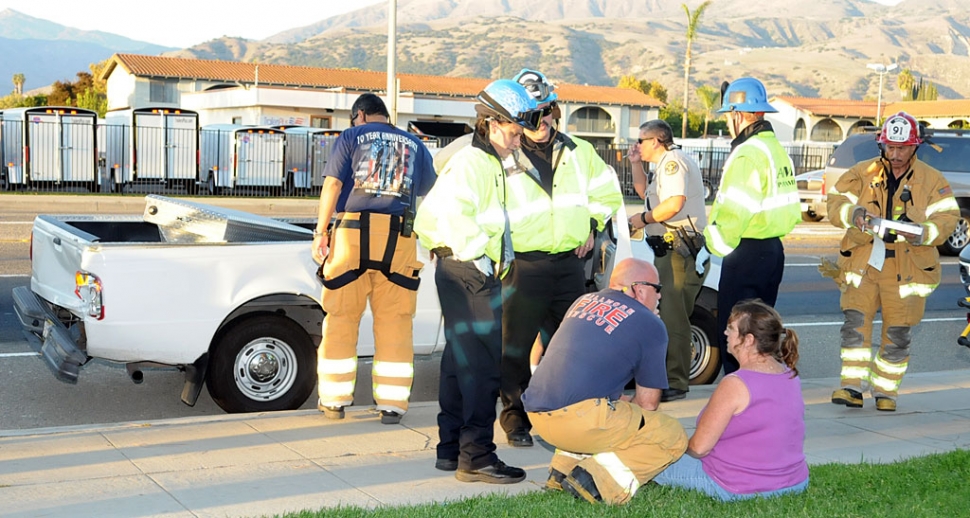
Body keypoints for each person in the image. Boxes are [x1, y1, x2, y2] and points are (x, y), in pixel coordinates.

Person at [414, 79, 542, 484]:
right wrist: (478, 256)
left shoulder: (484, 161)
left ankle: (451, 449)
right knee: (482, 369)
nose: (519, 141)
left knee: (458, 363)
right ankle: (478, 456)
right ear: (492, 123)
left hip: (461, 269)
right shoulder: (473, 163)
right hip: (471, 272)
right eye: (515, 132)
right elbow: (455, 214)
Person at [500, 68, 624, 448]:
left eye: (547, 111)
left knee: (571, 345)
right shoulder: (503, 155)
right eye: (533, 114)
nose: (542, 121)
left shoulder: (580, 151)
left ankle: (563, 415)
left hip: (568, 266)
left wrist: (592, 225)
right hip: (523, 266)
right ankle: (515, 419)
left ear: (555, 110)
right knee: (514, 347)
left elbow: (607, 195)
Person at [312, 92, 436, 425]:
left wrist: (321, 232)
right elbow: (427, 192)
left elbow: (333, 185)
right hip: (399, 239)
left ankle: (334, 400)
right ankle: (393, 405)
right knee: (395, 321)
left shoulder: (352, 136)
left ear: (361, 115)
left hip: (352, 235)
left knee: (341, 317)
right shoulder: (415, 144)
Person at [523, 258, 688, 505]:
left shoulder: (583, 301)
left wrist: (621, 405)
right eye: (657, 289)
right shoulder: (650, 323)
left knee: (605, 409)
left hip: (537, 416)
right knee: (672, 434)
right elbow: (648, 404)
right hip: (579, 422)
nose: (660, 296)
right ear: (639, 289)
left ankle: (561, 472)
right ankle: (594, 481)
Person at [826, 112, 959, 411]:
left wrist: (924, 232)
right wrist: (855, 214)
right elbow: (836, 201)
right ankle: (851, 387)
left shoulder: (932, 180)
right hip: (864, 262)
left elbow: (948, 217)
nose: (895, 155)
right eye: (890, 147)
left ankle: (886, 392)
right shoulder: (863, 172)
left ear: (914, 147)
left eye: (902, 148)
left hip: (906, 268)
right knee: (855, 324)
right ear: (882, 145)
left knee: (897, 333)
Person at [653, 299, 809, 501]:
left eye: (731, 328)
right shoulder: (789, 374)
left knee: (646, 453)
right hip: (795, 482)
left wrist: (673, 451)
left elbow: (699, 448)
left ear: (749, 340)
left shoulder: (736, 384)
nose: (725, 333)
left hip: (736, 485)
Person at [703, 77, 801, 375]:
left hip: (745, 253)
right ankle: (763, 388)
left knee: (737, 334)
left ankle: (740, 391)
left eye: (728, 116)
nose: (728, 123)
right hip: (772, 251)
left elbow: (734, 212)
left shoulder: (747, 153)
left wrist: (709, 243)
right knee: (760, 335)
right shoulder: (775, 149)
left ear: (738, 114)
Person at [628, 119, 708, 402]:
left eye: (641, 140)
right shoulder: (663, 165)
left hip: (679, 251)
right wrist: (636, 164)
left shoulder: (673, 163)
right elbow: (646, 196)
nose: (637, 145)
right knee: (670, 315)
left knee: (675, 319)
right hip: (669, 250)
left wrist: (642, 219)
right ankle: (672, 378)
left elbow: (673, 203)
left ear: (655, 140)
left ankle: (676, 381)